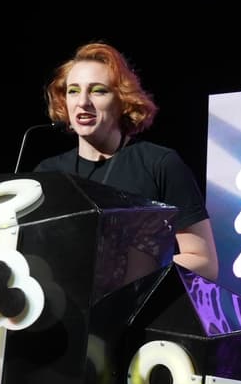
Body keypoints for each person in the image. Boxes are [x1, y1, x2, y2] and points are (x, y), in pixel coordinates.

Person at [35, 42, 218, 279]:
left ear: (123, 100)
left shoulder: (159, 164)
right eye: (73, 90)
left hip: (141, 313)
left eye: (98, 90)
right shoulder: (49, 174)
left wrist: (127, 274)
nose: (82, 102)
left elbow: (204, 262)